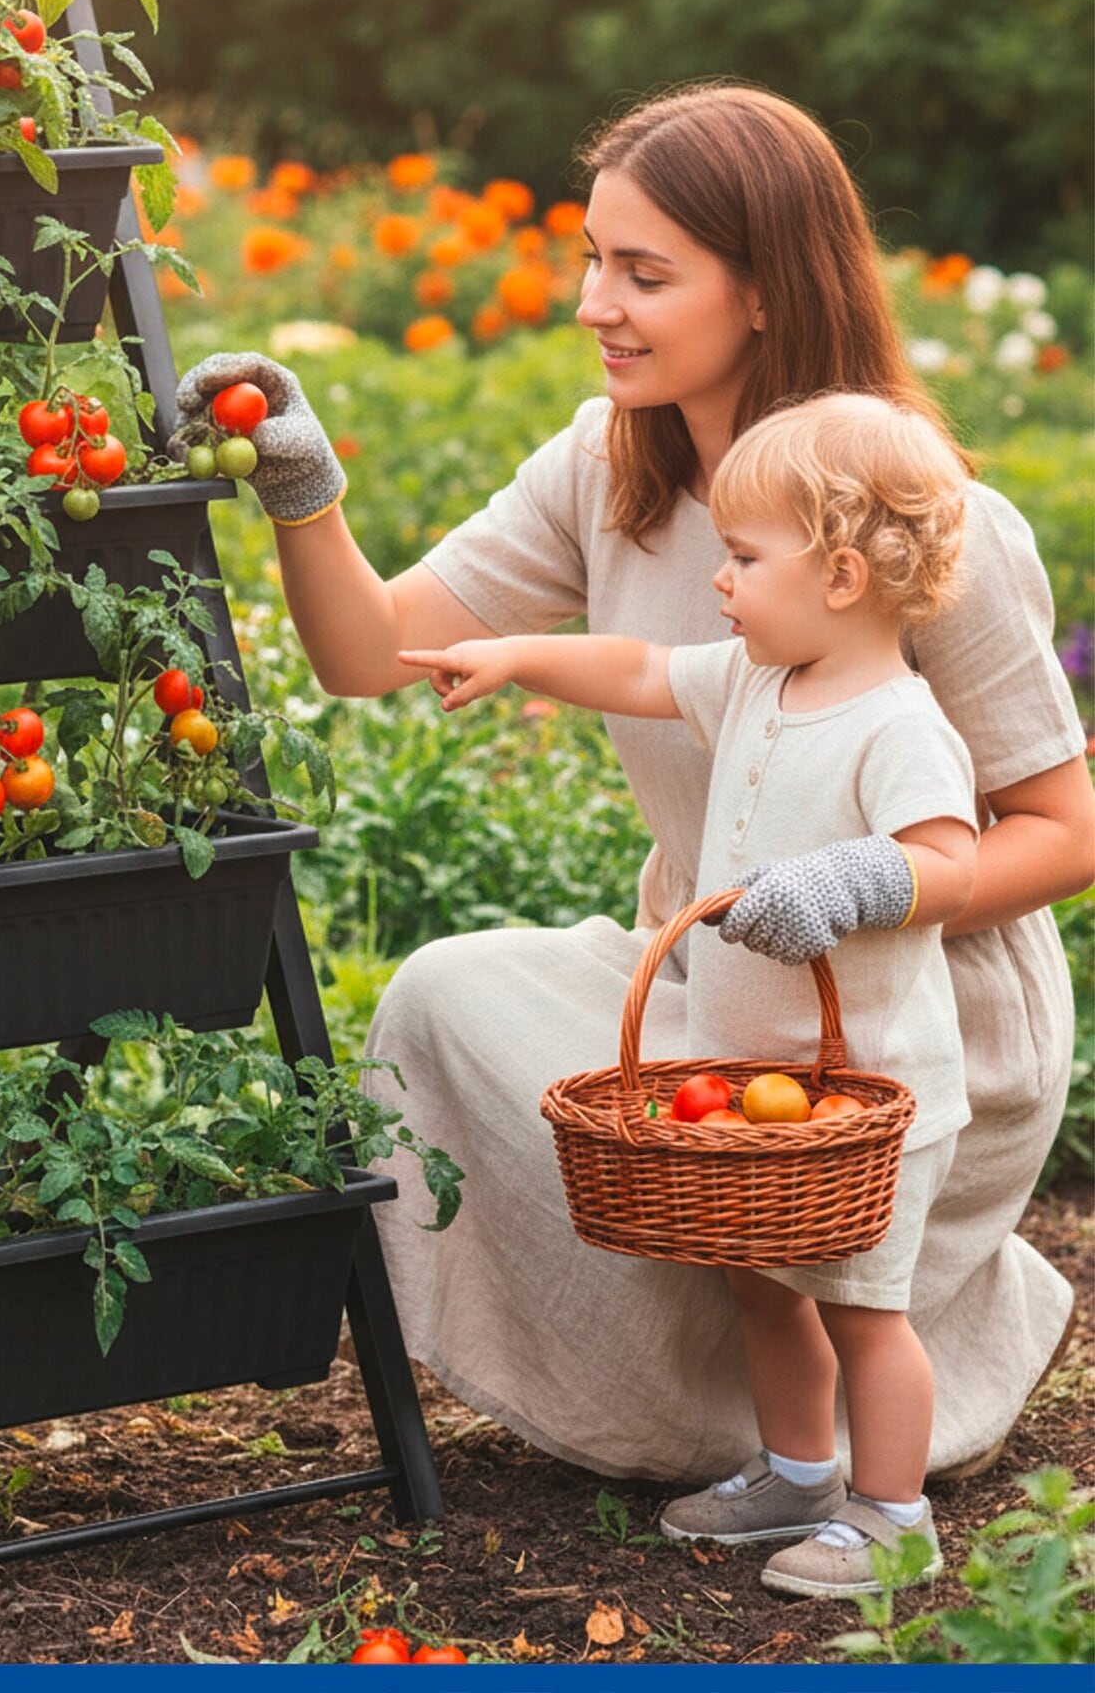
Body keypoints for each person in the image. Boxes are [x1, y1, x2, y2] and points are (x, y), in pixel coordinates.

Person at [173, 83, 1095, 1495]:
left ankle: (896, 1381)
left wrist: (865, 885)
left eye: (645, 273)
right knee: (441, 999)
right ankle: (753, 1427)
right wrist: (305, 491)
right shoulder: (611, 468)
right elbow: (375, 651)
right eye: (593, 257)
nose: (596, 302)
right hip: (716, 985)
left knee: (754, 1192)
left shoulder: (911, 524)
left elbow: (1062, 834)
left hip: (913, 1020)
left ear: (770, 291)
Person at [399, 391, 978, 1595]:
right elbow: (640, 666)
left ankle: (892, 1515)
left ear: (837, 574)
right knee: (765, 1292)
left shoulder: (899, 724)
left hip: (866, 1091)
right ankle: (798, 1474)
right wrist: (516, 655)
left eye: (743, 557)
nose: (719, 580)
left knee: (868, 1309)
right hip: (754, 1079)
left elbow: (951, 864)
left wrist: (849, 878)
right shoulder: (761, 681)